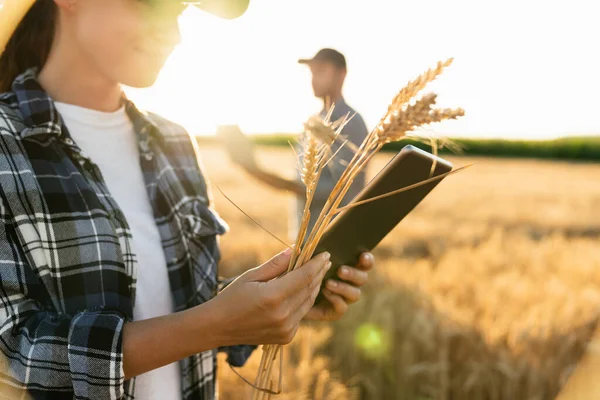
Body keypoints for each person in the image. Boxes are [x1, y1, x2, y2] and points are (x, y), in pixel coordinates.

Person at [0, 1, 374, 399]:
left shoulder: (174, 144)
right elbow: (15, 356)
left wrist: (276, 304)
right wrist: (213, 323)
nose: (175, 34)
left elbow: (179, 304)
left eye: (177, 10)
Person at [224, 48, 370, 237]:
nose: (313, 79)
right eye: (312, 72)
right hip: (308, 237)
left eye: (321, 71)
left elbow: (336, 188)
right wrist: (252, 167)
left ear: (341, 74)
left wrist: (257, 172)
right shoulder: (314, 121)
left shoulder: (352, 123)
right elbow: (303, 179)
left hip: (334, 236)